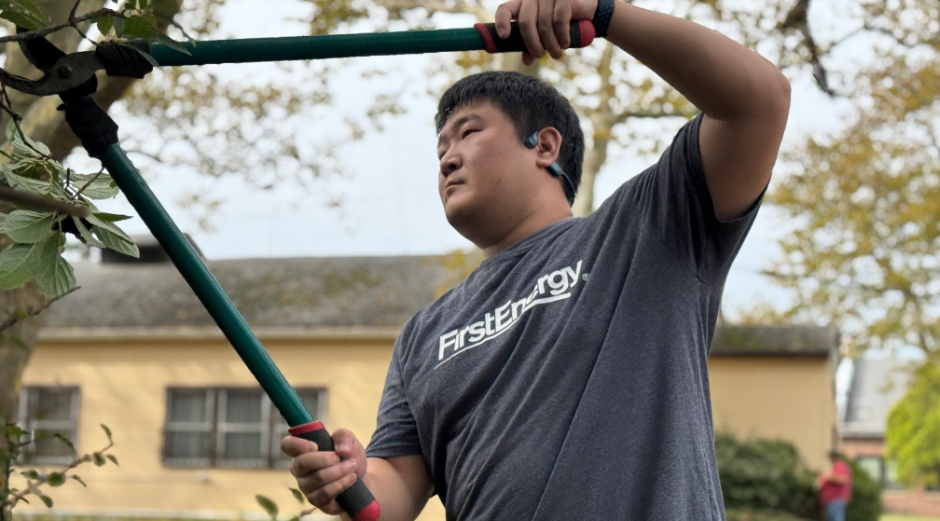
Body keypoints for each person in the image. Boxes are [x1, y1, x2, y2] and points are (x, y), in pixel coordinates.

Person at [282, 0, 791, 518]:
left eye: (469, 133)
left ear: (544, 146)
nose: (448, 159)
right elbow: (395, 490)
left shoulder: (647, 230)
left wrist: (605, 13)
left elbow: (759, 101)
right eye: (440, 151)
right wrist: (351, 479)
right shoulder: (424, 333)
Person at [817, 451, 853, 521]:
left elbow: (842, 479)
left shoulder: (840, 466)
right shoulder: (836, 466)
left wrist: (827, 476)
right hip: (832, 500)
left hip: (835, 500)